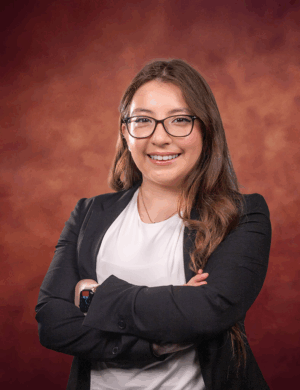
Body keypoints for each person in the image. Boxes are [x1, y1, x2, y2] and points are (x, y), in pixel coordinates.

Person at [35, 59, 272, 390]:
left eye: (179, 120)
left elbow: (208, 312)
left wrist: (94, 297)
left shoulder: (243, 215)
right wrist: (155, 344)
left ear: (205, 128)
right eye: (143, 120)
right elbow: (52, 322)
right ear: (125, 132)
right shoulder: (89, 212)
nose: (160, 138)